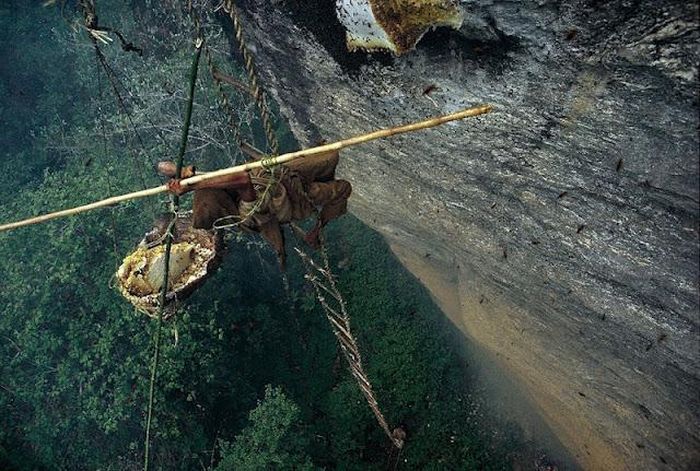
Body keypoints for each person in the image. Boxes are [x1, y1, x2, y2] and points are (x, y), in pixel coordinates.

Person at [157, 146, 351, 270]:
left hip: (285, 173)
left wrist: (182, 173)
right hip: (298, 196)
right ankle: (318, 228)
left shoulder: (221, 185)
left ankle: (324, 178)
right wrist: (192, 185)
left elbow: (161, 166)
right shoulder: (245, 214)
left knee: (330, 155)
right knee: (343, 188)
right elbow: (242, 179)